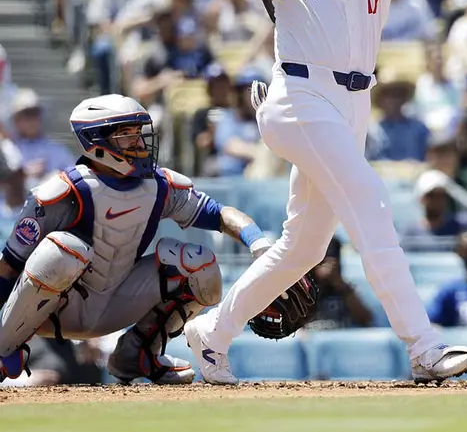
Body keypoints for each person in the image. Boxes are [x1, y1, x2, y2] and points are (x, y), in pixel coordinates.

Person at [185, 0, 467, 384]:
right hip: (299, 95)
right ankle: (424, 347)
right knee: (369, 203)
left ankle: (212, 335)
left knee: (304, 246)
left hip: (353, 102)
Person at [0, 94, 276, 384]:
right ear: (97, 141)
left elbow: (219, 214)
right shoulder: (63, 192)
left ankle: (138, 353)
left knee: (201, 264)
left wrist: (260, 245)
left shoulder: (159, 185)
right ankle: (4, 348)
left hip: (118, 302)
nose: (138, 142)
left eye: (138, 133)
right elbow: (9, 267)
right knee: (64, 251)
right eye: (125, 135)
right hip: (56, 313)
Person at [305, 237, 373, 331]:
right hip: (311, 340)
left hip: (341, 340)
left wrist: (340, 285)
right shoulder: (300, 289)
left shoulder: (346, 288)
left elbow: (366, 320)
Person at [10, 89, 73, 190]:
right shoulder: (7, 149)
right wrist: (23, 174)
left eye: (35, 113)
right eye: (27, 115)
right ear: (16, 120)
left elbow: (73, 178)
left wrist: (55, 177)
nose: (32, 120)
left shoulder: (56, 148)